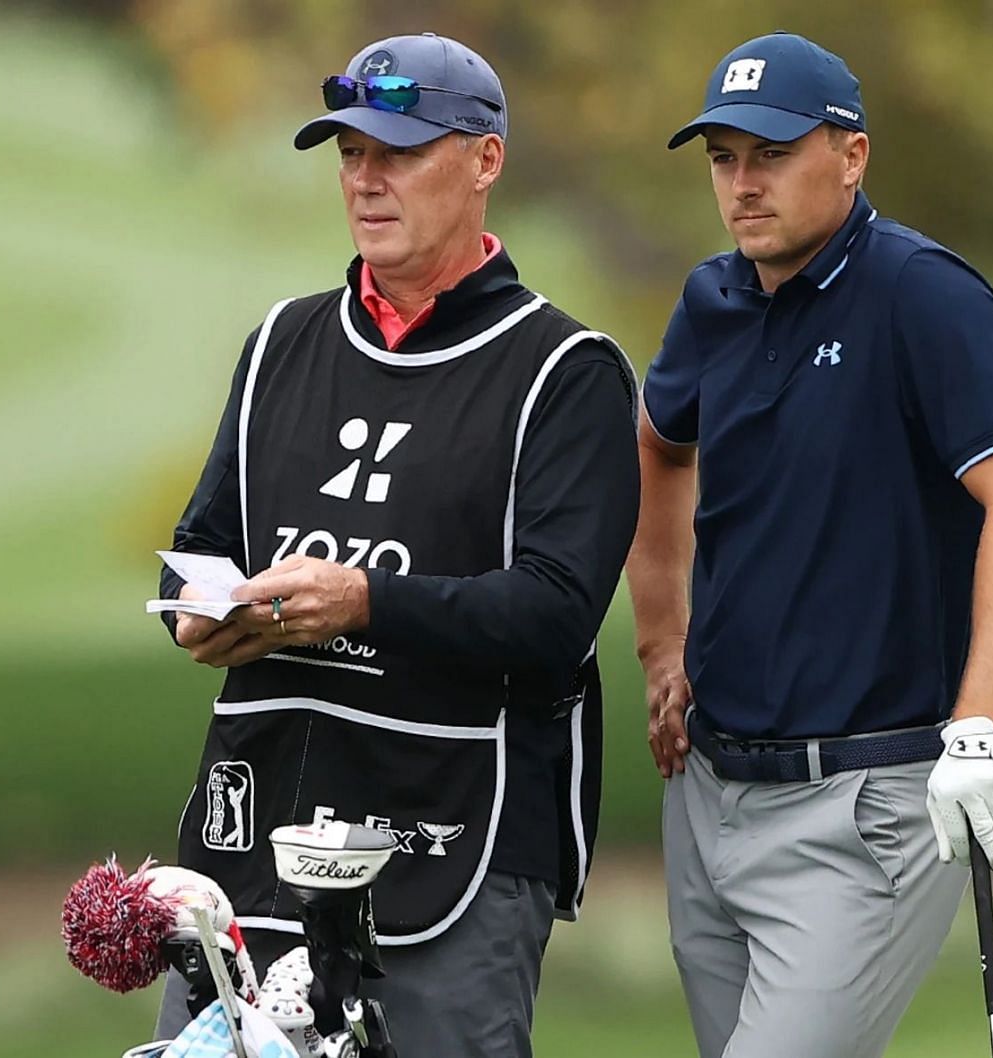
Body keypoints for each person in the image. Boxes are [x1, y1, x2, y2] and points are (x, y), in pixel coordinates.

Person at [151, 32, 640, 1058]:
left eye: (399, 152)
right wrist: (196, 606)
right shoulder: (283, 340)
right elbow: (199, 548)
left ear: (485, 161)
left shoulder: (566, 368)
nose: (367, 180)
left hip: (454, 836)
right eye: (350, 154)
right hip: (260, 824)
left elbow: (556, 614)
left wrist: (366, 600)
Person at [626, 32, 993, 1058]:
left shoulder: (925, 295)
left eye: (771, 154)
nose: (743, 184)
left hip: (867, 808)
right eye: (723, 158)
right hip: (710, 794)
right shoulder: (714, 300)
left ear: (852, 154)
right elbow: (656, 446)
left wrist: (983, 727)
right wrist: (662, 641)